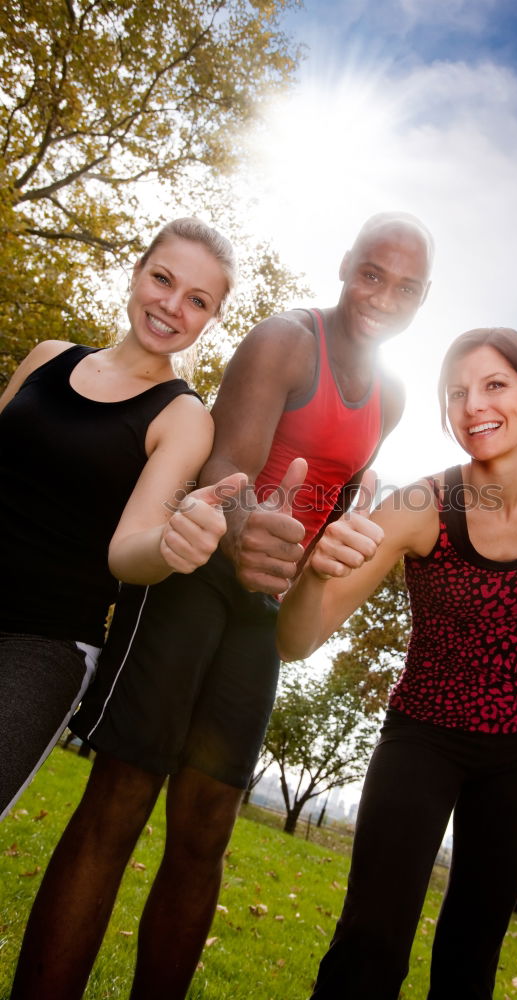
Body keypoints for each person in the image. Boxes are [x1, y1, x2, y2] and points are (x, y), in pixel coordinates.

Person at [11, 212, 434, 1000]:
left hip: (258, 607)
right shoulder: (285, 339)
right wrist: (252, 529)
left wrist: (310, 553)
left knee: (206, 825)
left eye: (405, 286)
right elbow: (232, 463)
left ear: (422, 298)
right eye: (371, 272)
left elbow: (336, 497)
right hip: (192, 571)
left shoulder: (395, 396)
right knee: (122, 799)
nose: (382, 295)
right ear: (346, 264)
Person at [277, 327, 517, 1000]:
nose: (473, 404)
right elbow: (296, 642)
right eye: (455, 393)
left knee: (470, 958)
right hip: (423, 731)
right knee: (371, 945)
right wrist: (312, 575)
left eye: (494, 385)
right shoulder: (424, 506)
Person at [0, 217, 242, 820]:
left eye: (197, 301)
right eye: (162, 278)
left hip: (39, 642)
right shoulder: (47, 358)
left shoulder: (183, 417)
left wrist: (170, 545)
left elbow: (127, 550)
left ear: (210, 320)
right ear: (136, 273)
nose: (171, 306)